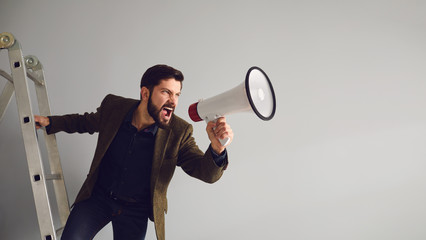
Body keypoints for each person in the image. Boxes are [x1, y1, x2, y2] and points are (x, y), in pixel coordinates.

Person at [34, 64, 233, 240]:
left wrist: (217, 148)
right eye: (166, 92)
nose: (173, 101)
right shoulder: (114, 107)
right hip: (98, 199)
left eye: (177, 94)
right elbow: (85, 122)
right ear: (145, 93)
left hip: (136, 210)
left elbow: (205, 172)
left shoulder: (179, 131)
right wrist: (51, 122)